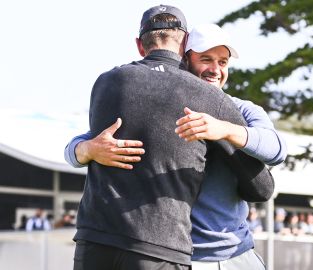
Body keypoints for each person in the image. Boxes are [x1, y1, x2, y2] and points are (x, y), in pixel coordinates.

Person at [69, 5, 274, 270]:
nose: (214, 69)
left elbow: (275, 149)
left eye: (222, 62)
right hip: (165, 247)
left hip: (96, 238)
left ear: (140, 45)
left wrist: (83, 150)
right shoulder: (208, 97)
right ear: (185, 50)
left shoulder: (107, 82)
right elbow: (261, 187)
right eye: (206, 59)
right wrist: (84, 150)